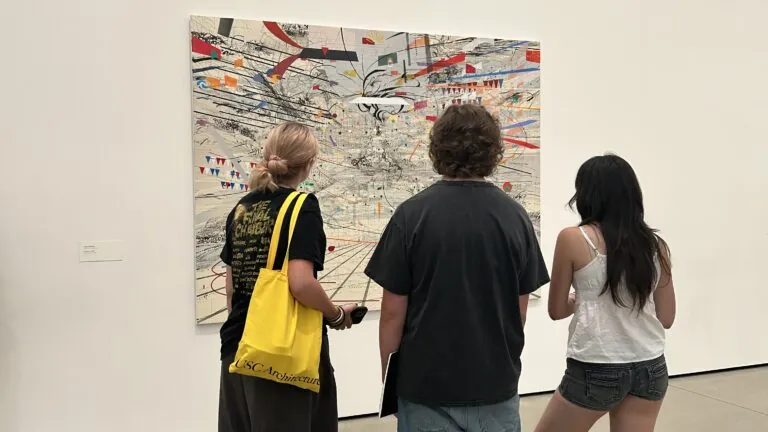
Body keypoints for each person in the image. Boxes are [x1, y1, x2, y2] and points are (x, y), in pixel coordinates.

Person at [365, 104, 550, 432]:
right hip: (494, 385)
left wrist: (389, 379)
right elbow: (518, 313)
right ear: (493, 151)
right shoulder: (515, 217)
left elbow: (392, 314)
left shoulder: (410, 216)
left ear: (437, 148)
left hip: (425, 387)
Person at [217, 122, 358, 432]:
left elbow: (231, 287)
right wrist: (335, 315)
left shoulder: (241, 208)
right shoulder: (301, 207)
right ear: (308, 165)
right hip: (283, 355)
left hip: (237, 346)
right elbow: (301, 283)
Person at [534, 154, 676, 432]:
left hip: (596, 365)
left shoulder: (574, 238)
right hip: (650, 366)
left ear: (585, 194)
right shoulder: (656, 246)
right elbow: (667, 317)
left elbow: (556, 310)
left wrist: (582, 301)